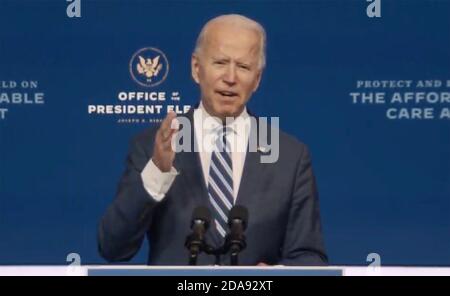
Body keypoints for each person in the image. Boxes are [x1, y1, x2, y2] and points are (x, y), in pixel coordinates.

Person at [98, 14, 327, 265]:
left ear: (257, 79)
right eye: (220, 62)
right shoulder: (154, 145)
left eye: (243, 67)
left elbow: (310, 258)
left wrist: (277, 274)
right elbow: (113, 247)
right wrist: (157, 172)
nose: (231, 77)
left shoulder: (288, 154)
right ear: (196, 69)